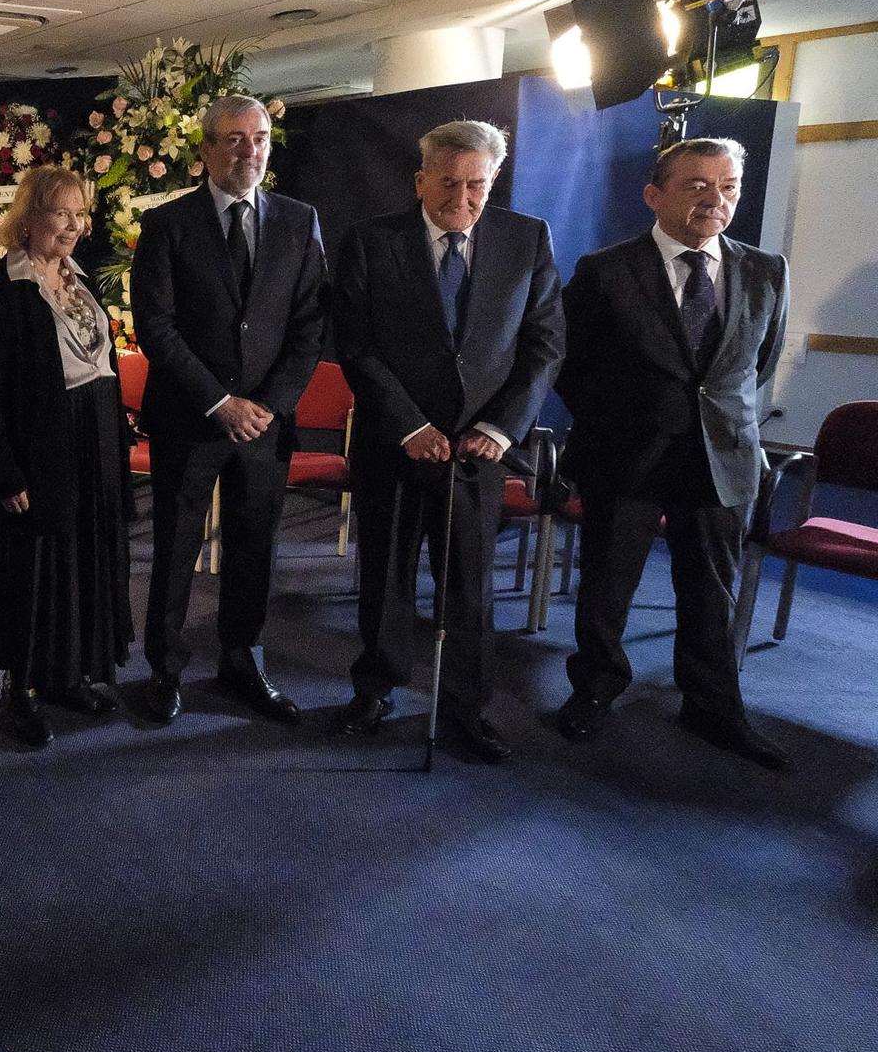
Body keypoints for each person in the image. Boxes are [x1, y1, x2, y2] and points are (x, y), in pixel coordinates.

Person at [330, 120, 564, 761]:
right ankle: (374, 691)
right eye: (449, 183)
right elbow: (355, 344)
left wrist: (498, 428)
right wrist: (409, 424)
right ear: (419, 180)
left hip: (479, 451)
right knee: (386, 577)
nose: (463, 197)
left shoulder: (527, 238)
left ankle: (467, 707)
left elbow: (544, 345)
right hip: (394, 441)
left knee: (469, 584)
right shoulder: (370, 242)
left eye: (477, 184)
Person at [555, 138, 790, 769]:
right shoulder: (604, 270)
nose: (716, 199)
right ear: (654, 195)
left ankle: (712, 705)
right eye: (697, 185)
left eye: (730, 186)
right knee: (608, 582)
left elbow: (755, 366)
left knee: (713, 587)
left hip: (723, 454)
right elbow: (569, 367)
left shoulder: (767, 270)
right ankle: (596, 689)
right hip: (627, 454)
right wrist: (622, 419)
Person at [132, 94, 327, 726]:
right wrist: (220, 401)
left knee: (254, 549)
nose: (250, 150)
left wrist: (265, 405)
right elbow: (156, 329)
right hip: (191, 418)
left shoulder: (300, 221)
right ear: (207, 150)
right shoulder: (167, 224)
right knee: (174, 547)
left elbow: (309, 326)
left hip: (265, 426)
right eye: (235, 139)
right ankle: (164, 668)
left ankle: (242, 660)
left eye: (260, 138)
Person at [0, 165, 130, 747]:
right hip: (38, 447)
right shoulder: (2, 290)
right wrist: (4, 469)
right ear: (28, 217)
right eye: (60, 213)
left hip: (93, 440)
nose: (74, 226)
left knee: (84, 557)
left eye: (79, 214)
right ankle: (21, 689)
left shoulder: (79, 278)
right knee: (33, 570)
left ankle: (69, 675)